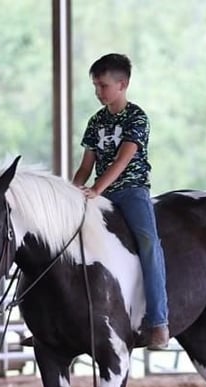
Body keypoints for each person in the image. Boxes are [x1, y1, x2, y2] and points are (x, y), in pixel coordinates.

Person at [72, 53, 170, 350]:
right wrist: (71, 192)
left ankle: (158, 320)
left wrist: (97, 189)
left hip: (131, 191)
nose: (98, 92)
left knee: (149, 243)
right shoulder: (95, 122)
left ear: (122, 84)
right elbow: (86, 165)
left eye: (102, 85)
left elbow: (122, 160)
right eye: (95, 86)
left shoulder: (137, 117)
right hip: (100, 192)